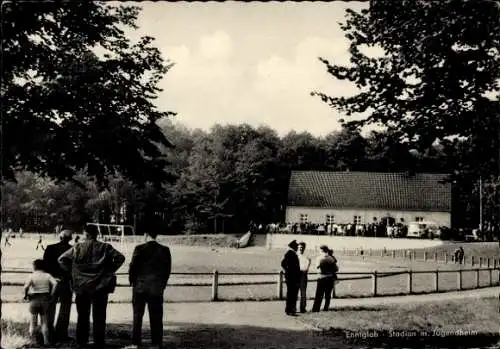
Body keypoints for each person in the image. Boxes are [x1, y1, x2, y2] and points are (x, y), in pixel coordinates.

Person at [58, 224, 125, 348]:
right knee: (99, 316)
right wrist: (109, 271)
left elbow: (62, 259)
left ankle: (81, 341)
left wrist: (73, 272)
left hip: (81, 285)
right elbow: (120, 258)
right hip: (100, 286)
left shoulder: (77, 247)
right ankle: (99, 341)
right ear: (96, 234)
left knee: (82, 315)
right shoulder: (105, 247)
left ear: (86, 234)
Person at [129, 229, 172, 349]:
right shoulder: (164, 250)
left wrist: (132, 281)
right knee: (156, 316)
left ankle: (136, 342)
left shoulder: (139, 248)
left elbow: (133, 267)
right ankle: (156, 343)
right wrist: (162, 284)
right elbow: (167, 270)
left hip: (140, 287)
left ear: (145, 235)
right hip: (156, 287)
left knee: (137, 316)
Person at [43, 229, 73, 342]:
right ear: (70, 238)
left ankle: (49, 334)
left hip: (52, 281)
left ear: (60, 237)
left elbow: (45, 265)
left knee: (50, 307)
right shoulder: (73, 249)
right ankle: (61, 334)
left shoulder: (50, 248)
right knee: (65, 308)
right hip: (66, 281)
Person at [24, 259, 58, 347]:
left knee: (33, 322)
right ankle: (46, 342)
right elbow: (55, 283)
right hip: (45, 299)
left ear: (34, 266)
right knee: (44, 322)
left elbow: (26, 287)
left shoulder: (31, 276)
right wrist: (51, 294)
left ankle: (32, 341)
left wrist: (26, 295)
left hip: (34, 299)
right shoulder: (47, 275)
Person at [312, 245, 336, 312]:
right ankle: (325, 308)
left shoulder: (319, 258)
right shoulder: (331, 258)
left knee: (319, 295)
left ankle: (316, 309)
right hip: (329, 277)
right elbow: (336, 269)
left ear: (321, 250)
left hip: (322, 277)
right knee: (327, 295)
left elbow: (317, 267)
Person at [280, 240, 301, 316]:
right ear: (294, 247)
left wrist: (287, 271)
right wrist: (289, 271)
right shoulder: (291, 254)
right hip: (293, 277)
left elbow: (283, 264)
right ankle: (291, 309)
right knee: (293, 294)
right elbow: (284, 264)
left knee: (290, 293)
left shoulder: (289, 253)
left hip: (290, 276)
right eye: (296, 246)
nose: (297, 248)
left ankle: (289, 309)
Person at [297, 242, 311, 313]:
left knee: (303, 292)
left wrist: (306, 269)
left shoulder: (306, 257)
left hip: (303, 275)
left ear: (304, 248)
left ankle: (302, 308)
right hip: (296, 275)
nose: (301, 248)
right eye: (300, 247)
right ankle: (292, 308)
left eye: (302, 247)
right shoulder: (295, 256)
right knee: (294, 292)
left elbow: (307, 265)